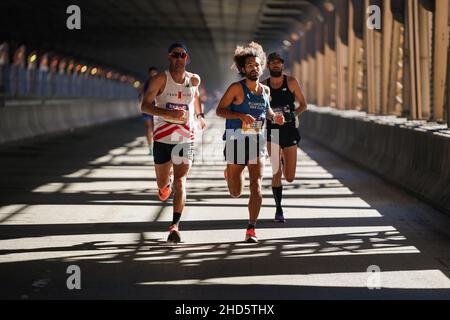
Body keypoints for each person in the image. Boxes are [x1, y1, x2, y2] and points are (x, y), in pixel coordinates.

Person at [216, 42, 284, 243]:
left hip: (257, 143)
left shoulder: (265, 90)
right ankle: (230, 173)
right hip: (236, 140)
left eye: (257, 65)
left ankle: (251, 228)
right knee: (235, 192)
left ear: (262, 66)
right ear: (243, 69)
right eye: (250, 66)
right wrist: (240, 115)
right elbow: (220, 110)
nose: (254, 68)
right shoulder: (236, 89)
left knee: (256, 185)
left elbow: (267, 111)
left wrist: (274, 117)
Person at [141, 43, 206, 244]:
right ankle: (163, 185)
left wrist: (199, 115)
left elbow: (195, 96)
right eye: (175, 55)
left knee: (181, 181)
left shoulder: (194, 79)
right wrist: (167, 113)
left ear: (187, 58)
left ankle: (174, 226)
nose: (179, 58)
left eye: (182, 55)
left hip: (185, 137)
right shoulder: (160, 79)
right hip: (162, 138)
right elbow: (144, 105)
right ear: (169, 57)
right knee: (163, 186)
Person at [262, 52, 307, 223]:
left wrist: (293, 115)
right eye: (272, 63)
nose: (275, 65)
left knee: (289, 177)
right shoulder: (264, 86)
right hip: (273, 132)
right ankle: (278, 209)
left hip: (289, 131)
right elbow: (260, 109)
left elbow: (304, 104)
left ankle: (283, 159)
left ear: (282, 65)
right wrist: (270, 116)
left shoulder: (291, 82)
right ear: (268, 66)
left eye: (278, 63)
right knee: (276, 172)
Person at [139, 67, 159, 155]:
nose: (153, 75)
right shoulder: (152, 83)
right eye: (152, 73)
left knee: (155, 128)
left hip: (156, 108)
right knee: (149, 127)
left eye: (154, 73)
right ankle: (150, 147)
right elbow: (141, 95)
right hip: (149, 107)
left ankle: (154, 147)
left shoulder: (152, 83)